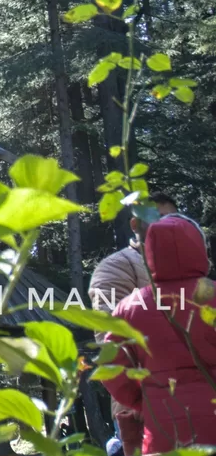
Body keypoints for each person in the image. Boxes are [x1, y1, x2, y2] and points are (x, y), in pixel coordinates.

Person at [102, 213, 216, 453]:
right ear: (198, 249)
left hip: (162, 435)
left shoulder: (129, 307)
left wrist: (144, 403)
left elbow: (111, 367)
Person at [89, 194, 179, 454]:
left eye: (172, 219)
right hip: (141, 407)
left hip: (191, 402)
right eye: (156, 218)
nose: (165, 226)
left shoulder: (186, 270)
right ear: (135, 225)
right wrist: (140, 400)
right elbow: (111, 339)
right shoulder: (116, 268)